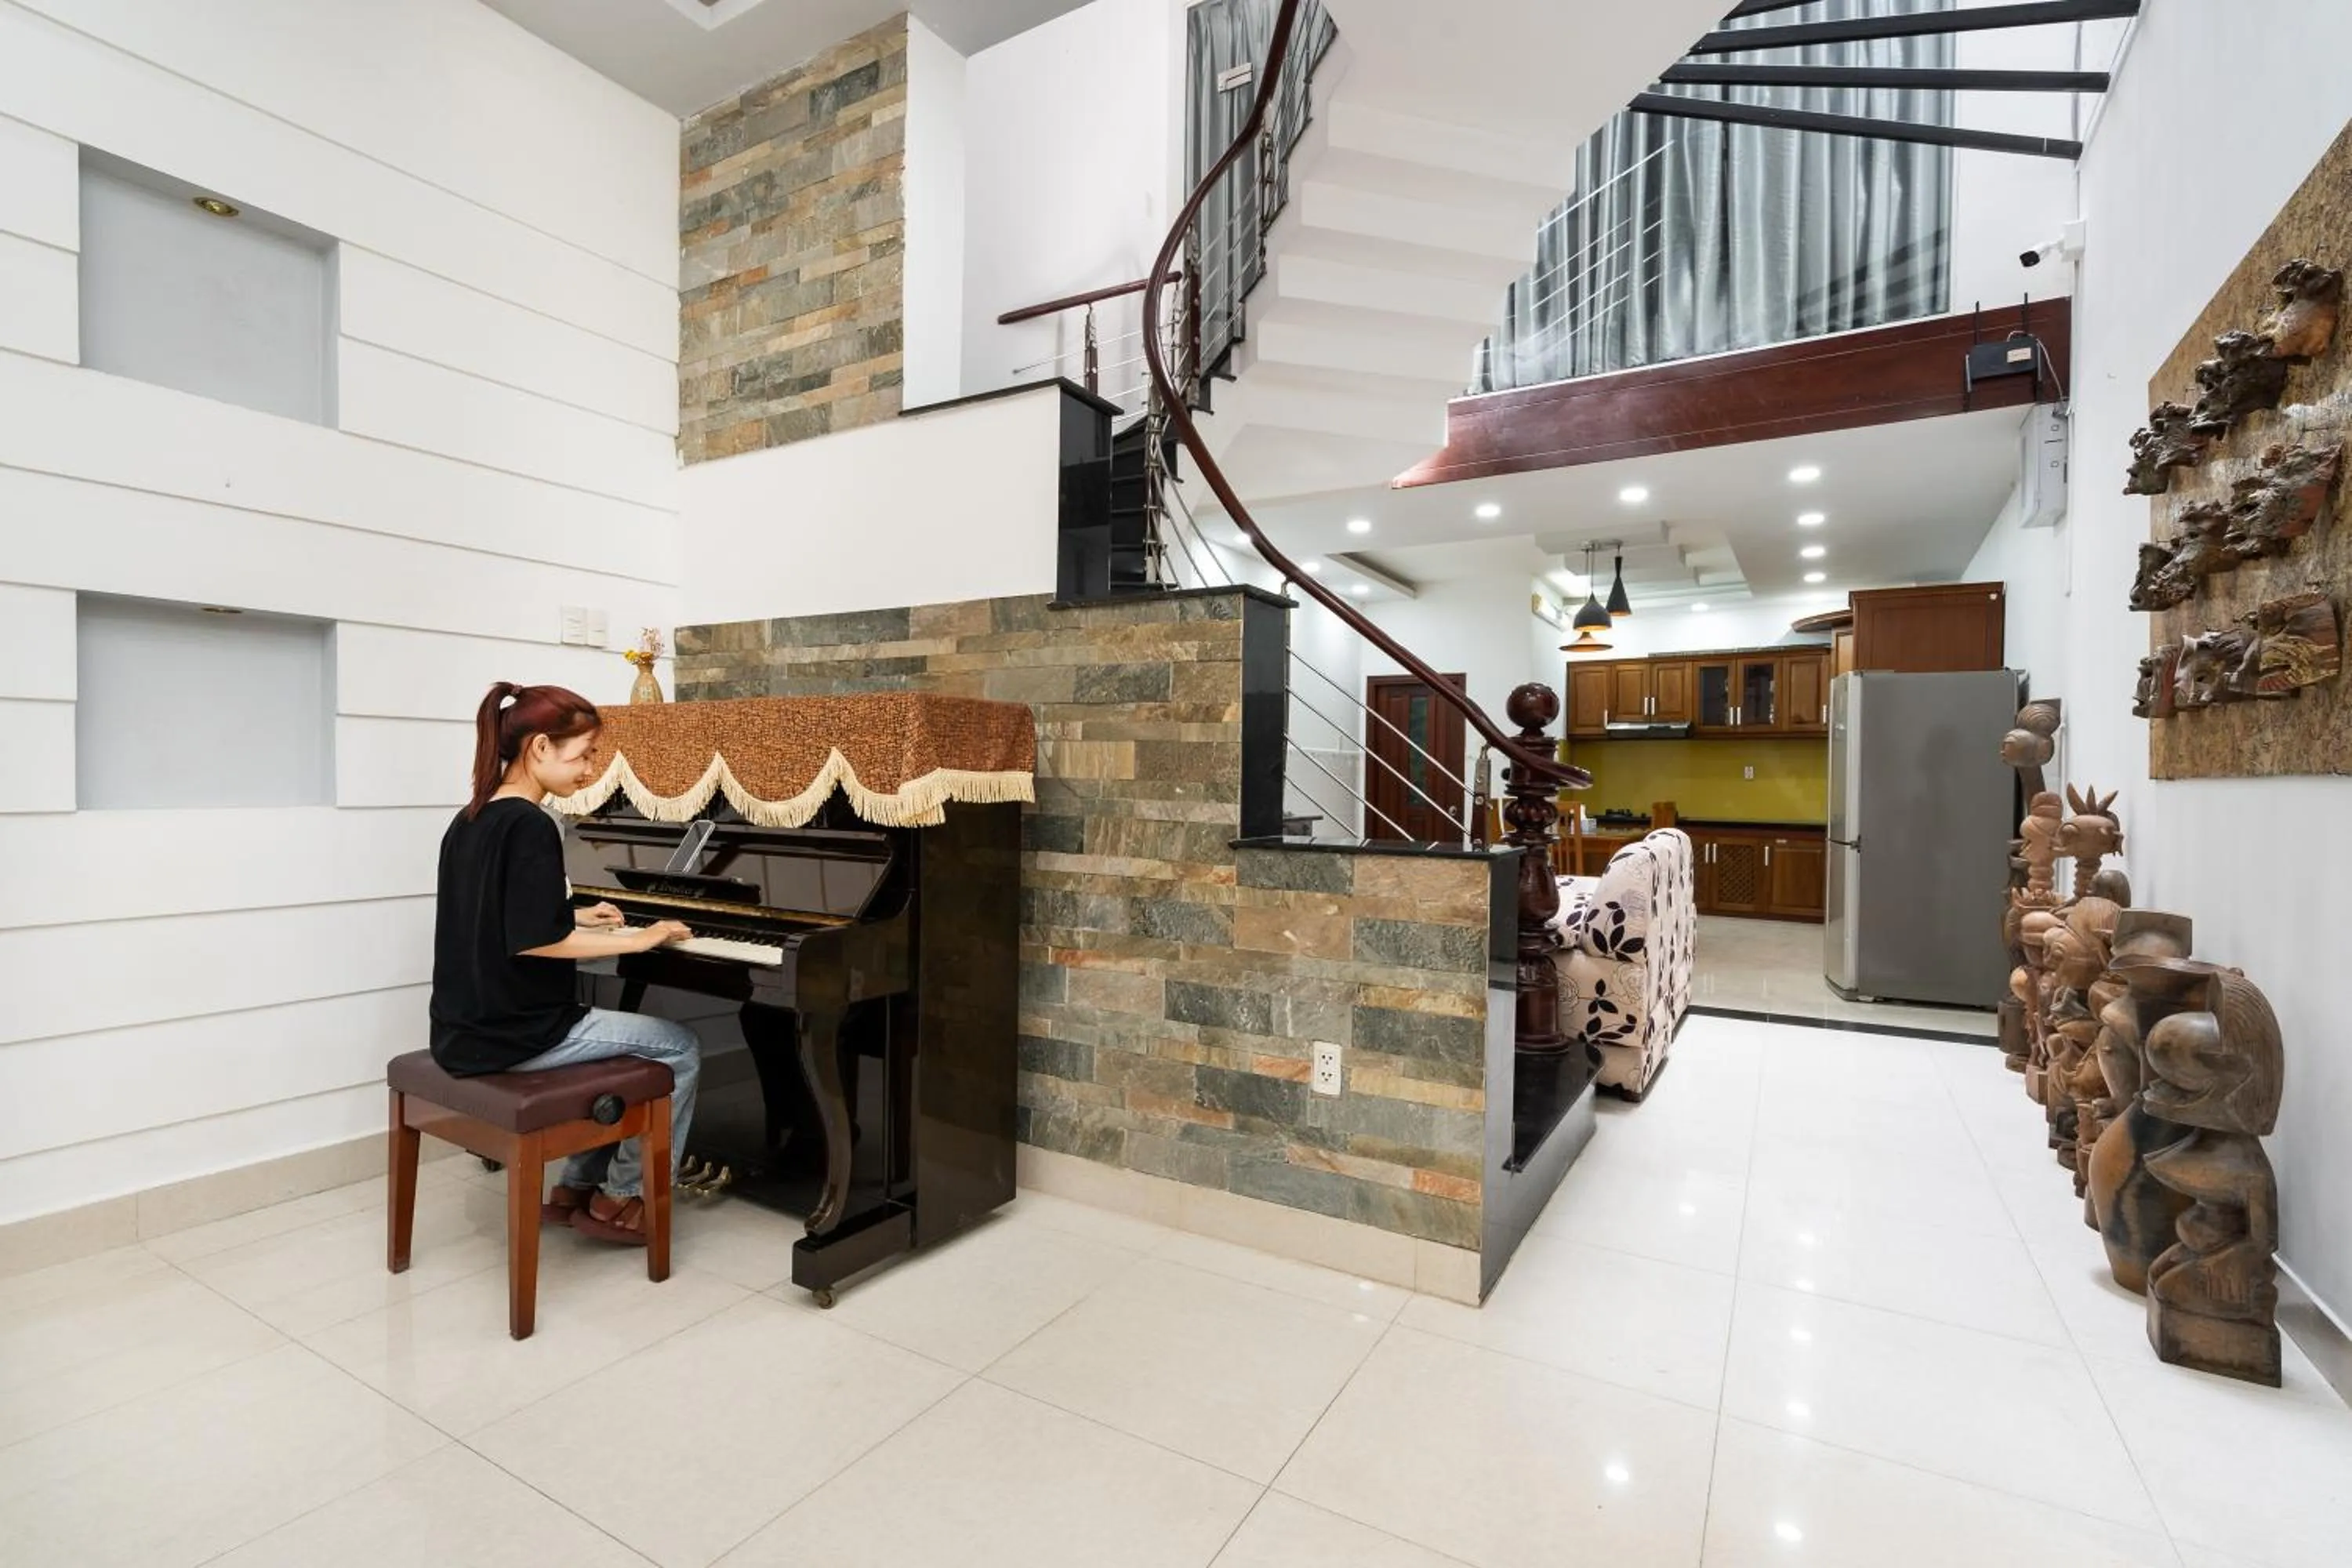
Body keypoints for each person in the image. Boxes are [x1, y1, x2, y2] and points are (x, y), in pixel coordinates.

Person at [428, 681, 698, 1245]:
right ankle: (626, 1197)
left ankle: (575, 1186)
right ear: (541, 748)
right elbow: (536, 944)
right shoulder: (532, 823)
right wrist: (641, 938)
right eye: (584, 754)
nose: (591, 769)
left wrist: (576, 916)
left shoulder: (472, 817)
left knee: (616, 1041)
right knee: (679, 1046)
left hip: (464, 1030)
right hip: (517, 1035)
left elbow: (498, 923)